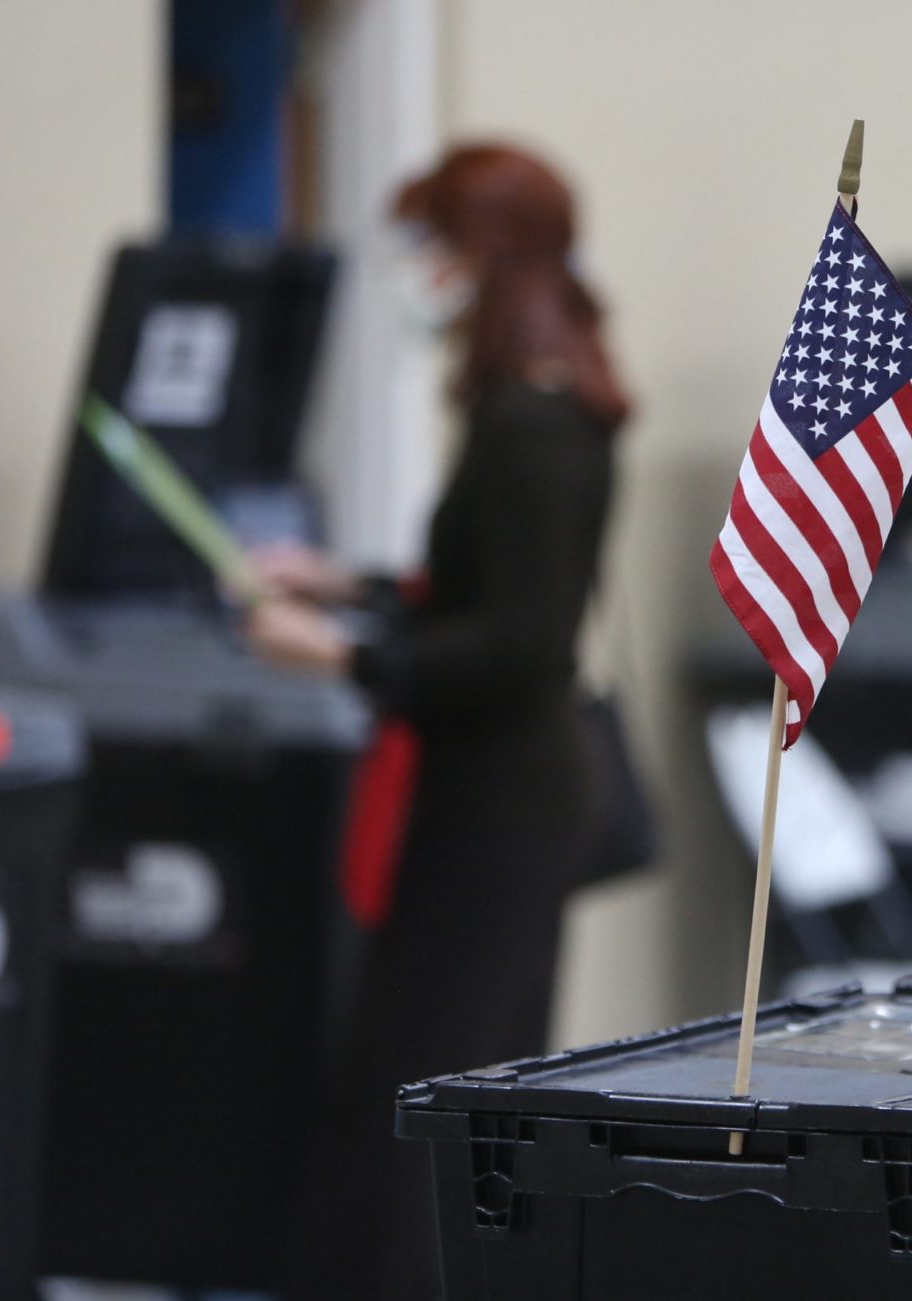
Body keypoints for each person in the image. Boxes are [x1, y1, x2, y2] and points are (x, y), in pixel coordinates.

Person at [241, 142, 629, 1301]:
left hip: (499, 800)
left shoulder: (531, 427)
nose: (419, 273)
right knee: (452, 1077)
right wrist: (343, 583)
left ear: (487, 258)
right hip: (505, 791)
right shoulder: (547, 407)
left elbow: (518, 642)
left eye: (433, 246)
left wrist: (344, 651)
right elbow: (476, 594)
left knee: (421, 1088)